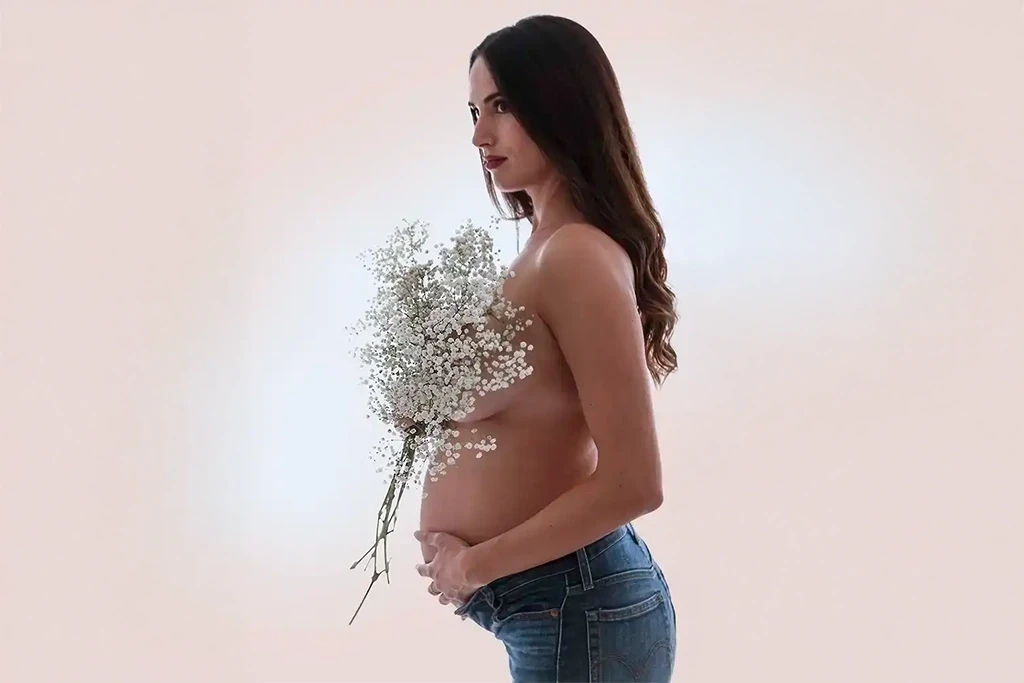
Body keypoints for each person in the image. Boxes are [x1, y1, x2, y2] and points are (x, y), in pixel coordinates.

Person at [413, 14, 679, 683]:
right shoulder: (543, 247)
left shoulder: (575, 256)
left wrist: (473, 563)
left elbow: (634, 481)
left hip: (578, 610)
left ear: (560, 103)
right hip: (560, 610)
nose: (479, 134)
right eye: (475, 110)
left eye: (501, 106)